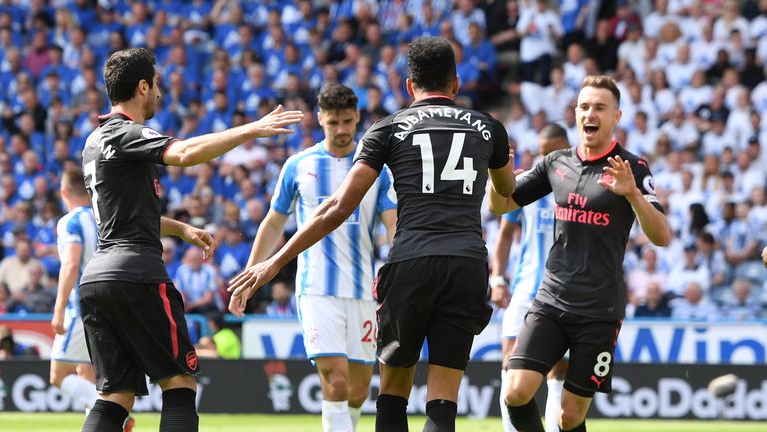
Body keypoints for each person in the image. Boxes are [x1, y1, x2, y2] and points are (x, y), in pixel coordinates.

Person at [229, 37, 517, 432]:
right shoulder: (489, 129)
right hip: (467, 263)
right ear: (455, 84)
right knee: (443, 398)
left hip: (411, 263)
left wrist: (275, 262)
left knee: (393, 393)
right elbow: (506, 197)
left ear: (408, 85)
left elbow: (337, 207)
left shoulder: (388, 129)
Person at [78, 48, 302, 432]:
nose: (160, 94)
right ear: (143, 86)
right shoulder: (127, 132)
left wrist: (180, 229)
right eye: (157, 85)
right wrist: (249, 129)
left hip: (98, 278)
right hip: (137, 274)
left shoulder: (93, 142)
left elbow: (122, 215)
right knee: (179, 383)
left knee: (115, 396)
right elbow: (182, 153)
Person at [489, 75, 671, 432]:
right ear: (575, 113)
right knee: (515, 392)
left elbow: (662, 236)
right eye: (585, 106)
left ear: (616, 116)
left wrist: (632, 194)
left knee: (569, 417)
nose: (591, 113)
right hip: (551, 300)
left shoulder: (632, 168)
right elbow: (502, 204)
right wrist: (500, 176)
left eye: (600, 108)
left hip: (599, 310)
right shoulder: (556, 163)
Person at [232, 83, 397, 432]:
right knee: (335, 381)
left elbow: (394, 228)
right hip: (315, 288)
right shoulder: (299, 165)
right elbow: (274, 222)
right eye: (333, 121)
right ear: (320, 118)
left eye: (348, 121)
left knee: (356, 390)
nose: (341, 130)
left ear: (357, 120)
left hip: (363, 292)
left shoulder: (377, 171)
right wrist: (251, 275)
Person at [490, 123, 570, 432]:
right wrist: (497, 278)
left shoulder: (580, 183)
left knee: (557, 371)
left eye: (553, 151)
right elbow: (505, 234)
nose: (547, 158)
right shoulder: (527, 182)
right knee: (510, 363)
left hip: (564, 292)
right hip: (525, 288)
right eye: (542, 152)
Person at [48, 168, 103, 421]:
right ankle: (102, 424)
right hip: (107, 304)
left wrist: (59, 309)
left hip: (81, 308)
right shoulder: (103, 217)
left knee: (58, 376)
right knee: (87, 373)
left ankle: (113, 413)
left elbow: (71, 264)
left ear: (64, 192)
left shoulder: (69, 221)